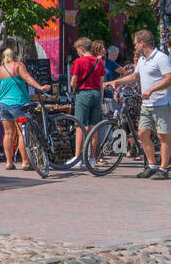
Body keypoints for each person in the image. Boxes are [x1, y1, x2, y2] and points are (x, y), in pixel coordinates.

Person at [102, 29, 171, 179]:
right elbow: (134, 76)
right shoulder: (141, 60)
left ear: (142, 43)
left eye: (135, 44)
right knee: (142, 134)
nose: (134, 47)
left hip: (162, 102)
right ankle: (152, 165)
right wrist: (115, 81)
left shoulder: (161, 58)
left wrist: (152, 89)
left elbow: (169, 78)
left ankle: (164, 169)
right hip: (147, 104)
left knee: (163, 136)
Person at [0, 41, 47, 170]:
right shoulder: (18, 66)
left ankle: (9, 163)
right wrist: (40, 87)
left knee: (8, 133)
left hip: (3, 104)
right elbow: (27, 78)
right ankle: (25, 162)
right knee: (21, 132)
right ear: (15, 56)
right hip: (18, 104)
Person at [69, 37, 104, 161]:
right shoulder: (99, 62)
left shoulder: (79, 62)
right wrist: (101, 101)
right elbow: (101, 84)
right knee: (94, 127)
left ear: (82, 49)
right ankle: (92, 157)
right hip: (96, 94)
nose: (77, 53)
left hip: (83, 94)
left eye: (78, 50)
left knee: (80, 125)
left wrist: (75, 89)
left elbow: (73, 82)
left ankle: (78, 157)